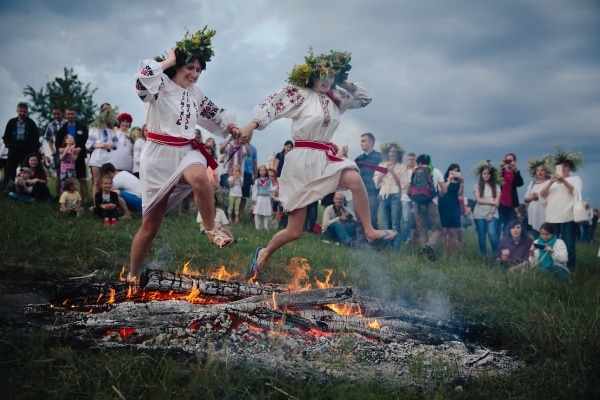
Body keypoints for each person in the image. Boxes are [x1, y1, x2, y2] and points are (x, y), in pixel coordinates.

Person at [239, 47, 396, 278]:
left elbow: (365, 98)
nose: (326, 80)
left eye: (331, 76)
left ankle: (370, 231)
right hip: (301, 161)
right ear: (312, 75)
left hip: (324, 157)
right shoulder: (299, 94)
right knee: (294, 232)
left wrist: (344, 82)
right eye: (322, 75)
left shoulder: (336, 97)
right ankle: (263, 253)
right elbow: (271, 106)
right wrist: (251, 126)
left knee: (354, 177)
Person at [128, 27, 241, 282]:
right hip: (158, 158)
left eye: (199, 70)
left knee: (200, 179)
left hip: (186, 150)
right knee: (150, 227)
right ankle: (132, 276)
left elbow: (213, 112)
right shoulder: (160, 86)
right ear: (178, 65)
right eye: (190, 67)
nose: (194, 74)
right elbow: (141, 78)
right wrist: (169, 59)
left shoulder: (195, 93)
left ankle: (211, 229)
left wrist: (231, 127)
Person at [538, 149, 583, 271]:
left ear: (570, 168)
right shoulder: (550, 181)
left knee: (569, 247)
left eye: (565, 166)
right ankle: (553, 267)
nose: (563, 168)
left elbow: (576, 193)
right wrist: (551, 182)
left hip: (567, 217)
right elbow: (541, 195)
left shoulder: (575, 179)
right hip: (552, 218)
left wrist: (563, 180)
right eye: (560, 166)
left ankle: (570, 270)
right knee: (551, 244)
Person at [412, 154, 446, 261]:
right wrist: (436, 195)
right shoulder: (435, 171)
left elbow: (409, 189)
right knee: (437, 229)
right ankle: (429, 246)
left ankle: (425, 258)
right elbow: (444, 190)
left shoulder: (414, 172)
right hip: (432, 203)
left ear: (420, 163)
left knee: (422, 231)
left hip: (417, 203)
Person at [373, 142, 406, 252]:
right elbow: (377, 182)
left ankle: (396, 250)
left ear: (398, 154)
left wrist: (392, 172)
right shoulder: (382, 165)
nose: (392, 154)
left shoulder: (402, 167)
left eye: (394, 152)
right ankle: (390, 247)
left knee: (396, 224)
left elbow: (401, 185)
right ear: (387, 153)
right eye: (390, 152)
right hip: (383, 195)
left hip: (395, 195)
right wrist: (385, 171)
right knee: (387, 224)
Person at [55, 107, 90, 205]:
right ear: (65, 115)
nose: (70, 115)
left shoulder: (82, 127)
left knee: (82, 178)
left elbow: (86, 141)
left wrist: (79, 149)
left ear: (75, 114)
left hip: (79, 155)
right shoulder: (62, 129)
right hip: (66, 158)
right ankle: (64, 199)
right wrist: (60, 149)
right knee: (66, 180)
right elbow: (57, 144)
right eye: (68, 114)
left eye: (72, 113)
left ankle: (86, 200)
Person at [2, 102, 40, 188]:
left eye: (24, 112)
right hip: (13, 148)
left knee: (25, 170)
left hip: (26, 149)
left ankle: (25, 188)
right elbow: (5, 136)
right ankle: (7, 188)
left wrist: (33, 150)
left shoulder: (31, 123)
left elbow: (36, 138)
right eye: (20, 111)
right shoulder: (11, 122)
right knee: (10, 169)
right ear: (17, 111)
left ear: (27, 112)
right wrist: (8, 145)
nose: (22, 113)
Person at [86, 107, 118, 203]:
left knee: (109, 181)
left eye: (110, 116)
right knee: (96, 181)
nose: (108, 118)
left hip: (109, 157)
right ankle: (97, 204)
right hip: (97, 157)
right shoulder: (94, 129)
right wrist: (99, 145)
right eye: (107, 116)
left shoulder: (111, 130)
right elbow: (88, 145)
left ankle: (110, 203)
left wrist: (111, 145)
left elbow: (116, 144)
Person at [355, 132, 382, 243]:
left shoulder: (379, 157)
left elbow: (384, 175)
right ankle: (360, 243)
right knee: (359, 219)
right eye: (361, 141)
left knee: (372, 219)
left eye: (363, 141)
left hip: (372, 193)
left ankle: (373, 245)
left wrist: (380, 192)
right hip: (359, 193)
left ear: (371, 143)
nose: (361, 143)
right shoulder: (358, 159)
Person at [472, 161, 501, 257]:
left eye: (488, 173)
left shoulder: (496, 186)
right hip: (479, 214)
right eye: (484, 173)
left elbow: (497, 201)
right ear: (481, 174)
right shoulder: (477, 186)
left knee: (492, 234)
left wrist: (491, 213)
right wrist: (492, 202)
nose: (486, 175)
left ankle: (496, 255)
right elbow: (479, 200)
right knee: (481, 236)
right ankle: (483, 256)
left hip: (492, 213)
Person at [439, 163, 464, 256]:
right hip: (443, 206)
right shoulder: (444, 180)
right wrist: (449, 180)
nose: (454, 172)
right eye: (453, 170)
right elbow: (442, 192)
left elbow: (460, 194)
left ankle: (452, 254)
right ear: (449, 171)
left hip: (454, 207)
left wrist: (462, 182)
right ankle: (444, 253)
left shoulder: (458, 183)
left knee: (452, 232)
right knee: (443, 231)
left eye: (457, 171)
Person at [498, 153, 524, 236]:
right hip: (500, 203)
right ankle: (498, 247)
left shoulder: (515, 173)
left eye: (511, 160)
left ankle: (506, 246)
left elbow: (520, 183)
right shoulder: (501, 172)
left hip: (511, 205)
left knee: (508, 227)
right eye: (507, 160)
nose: (509, 162)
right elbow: (494, 179)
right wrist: (500, 166)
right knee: (497, 227)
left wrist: (516, 170)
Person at [523, 160, 550, 239]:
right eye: (537, 170)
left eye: (542, 170)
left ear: (546, 172)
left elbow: (545, 194)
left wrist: (538, 195)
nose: (540, 172)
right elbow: (526, 198)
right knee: (536, 237)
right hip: (533, 214)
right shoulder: (532, 184)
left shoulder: (549, 182)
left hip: (544, 212)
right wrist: (533, 197)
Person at [44, 105, 66, 197]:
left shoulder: (67, 123)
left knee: (68, 173)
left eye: (58, 113)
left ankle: (69, 193)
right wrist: (52, 149)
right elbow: (49, 138)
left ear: (62, 113)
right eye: (54, 114)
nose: (56, 116)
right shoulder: (51, 125)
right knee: (58, 173)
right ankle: (58, 194)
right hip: (57, 152)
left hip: (67, 150)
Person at [400, 152, 416, 244]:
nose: (411, 161)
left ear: (415, 160)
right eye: (409, 159)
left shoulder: (418, 170)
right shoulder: (403, 170)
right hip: (404, 197)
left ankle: (415, 237)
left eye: (413, 159)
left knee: (415, 219)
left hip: (415, 198)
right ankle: (407, 238)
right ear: (407, 160)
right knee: (406, 219)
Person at [241, 142, 258, 220]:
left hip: (248, 173)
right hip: (238, 172)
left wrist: (255, 177)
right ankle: (233, 214)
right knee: (235, 194)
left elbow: (255, 163)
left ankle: (240, 215)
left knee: (244, 196)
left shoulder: (253, 148)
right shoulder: (237, 144)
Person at [251, 165, 272, 229]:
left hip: (266, 198)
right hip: (259, 197)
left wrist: (276, 188)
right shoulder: (257, 181)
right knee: (257, 212)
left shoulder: (269, 181)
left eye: (264, 170)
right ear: (259, 172)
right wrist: (254, 198)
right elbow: (255, 190)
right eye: (261, 170)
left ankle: (266, 226)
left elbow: (270, 189)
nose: (262, 172)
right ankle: (257, 226)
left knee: (266, 212)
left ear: (266, 171)